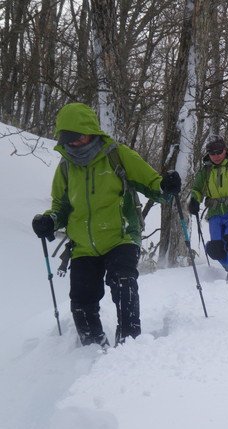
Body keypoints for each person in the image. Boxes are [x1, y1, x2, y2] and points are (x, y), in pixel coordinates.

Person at [32, 102, 181, 348]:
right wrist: (49, 220)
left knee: (123, 284)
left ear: (90, 131)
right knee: (81, 301)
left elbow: (152, 184)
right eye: (68, 139)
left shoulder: (117, 155)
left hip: (121, 236)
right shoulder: (66, 166)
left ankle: (129, 347)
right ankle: (93, 350)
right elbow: (61, 206)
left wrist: (166, 186)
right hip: (82, 245)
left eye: (78, 137)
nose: (74, 143)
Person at [188, 135, 228, 283]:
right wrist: (194, 201)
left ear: (225, 150)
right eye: (212, 153)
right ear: (208, 154)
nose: (216, 156)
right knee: (216, 247)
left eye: (219, 152)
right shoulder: (205, 171)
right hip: (215, 212)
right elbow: (197, 189)